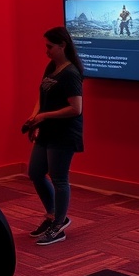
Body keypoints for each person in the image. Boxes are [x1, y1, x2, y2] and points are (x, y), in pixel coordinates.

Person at [25, 27, 84, 245]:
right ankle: (52, 215)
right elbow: (42, 96)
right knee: (35, 172)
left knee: (59, 179)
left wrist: (44, 116)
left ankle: (59, 225)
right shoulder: (52, 67)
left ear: (62, 46)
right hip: (48, 130)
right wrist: (34, 117)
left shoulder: (71, 74)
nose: (46, 51)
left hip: (64, 133)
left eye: (50, 47)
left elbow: (75, 108)